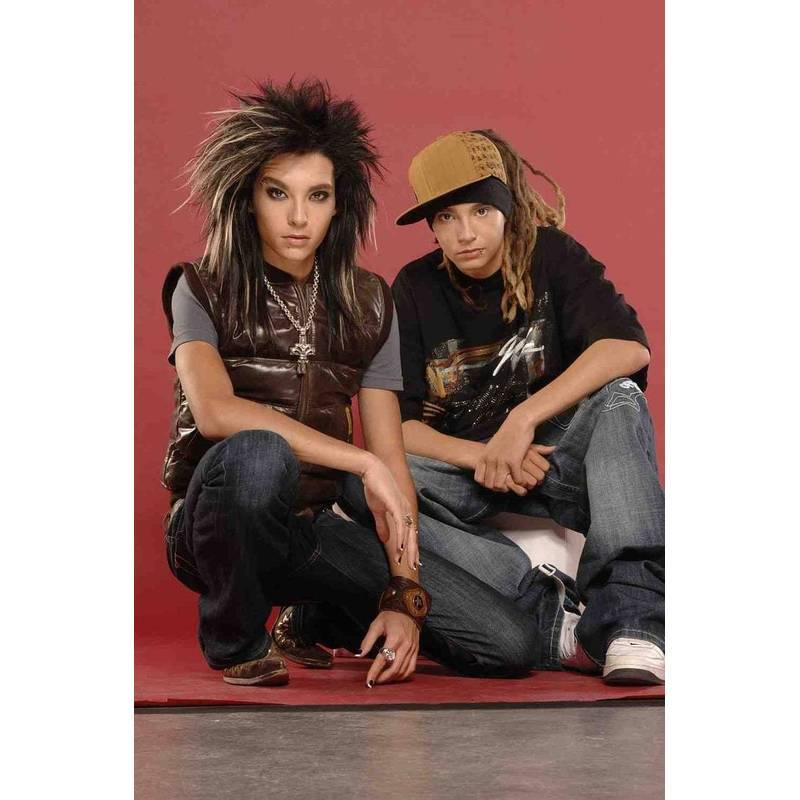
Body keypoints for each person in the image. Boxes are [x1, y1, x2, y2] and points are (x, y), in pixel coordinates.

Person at [161, 82, 570, 688]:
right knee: (259, 454)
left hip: (307, 529)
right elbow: (216, 412)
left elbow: (391, 456)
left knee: (506, 645)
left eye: (317, 196)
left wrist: (404, 592)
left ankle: (317, 615)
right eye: (278, 193)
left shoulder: (370, 302)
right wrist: (361, 463)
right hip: (210, 530)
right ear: (248, 199)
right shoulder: (200, 286)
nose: (298, 217)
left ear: (339, 205)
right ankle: (237, 644)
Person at [383, 130, 665, 685]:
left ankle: (633, 622)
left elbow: (627, 348)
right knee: (367, 481)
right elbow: (399, 427)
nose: (465, 233)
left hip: (555, 462)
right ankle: (550, 611)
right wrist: (485, 454)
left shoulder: (552, 254)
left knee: (620, 397)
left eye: (480, 210)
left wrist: (522, 419)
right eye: (446, 218)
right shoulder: (414, 287)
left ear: (507, 204)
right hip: (469, 475)